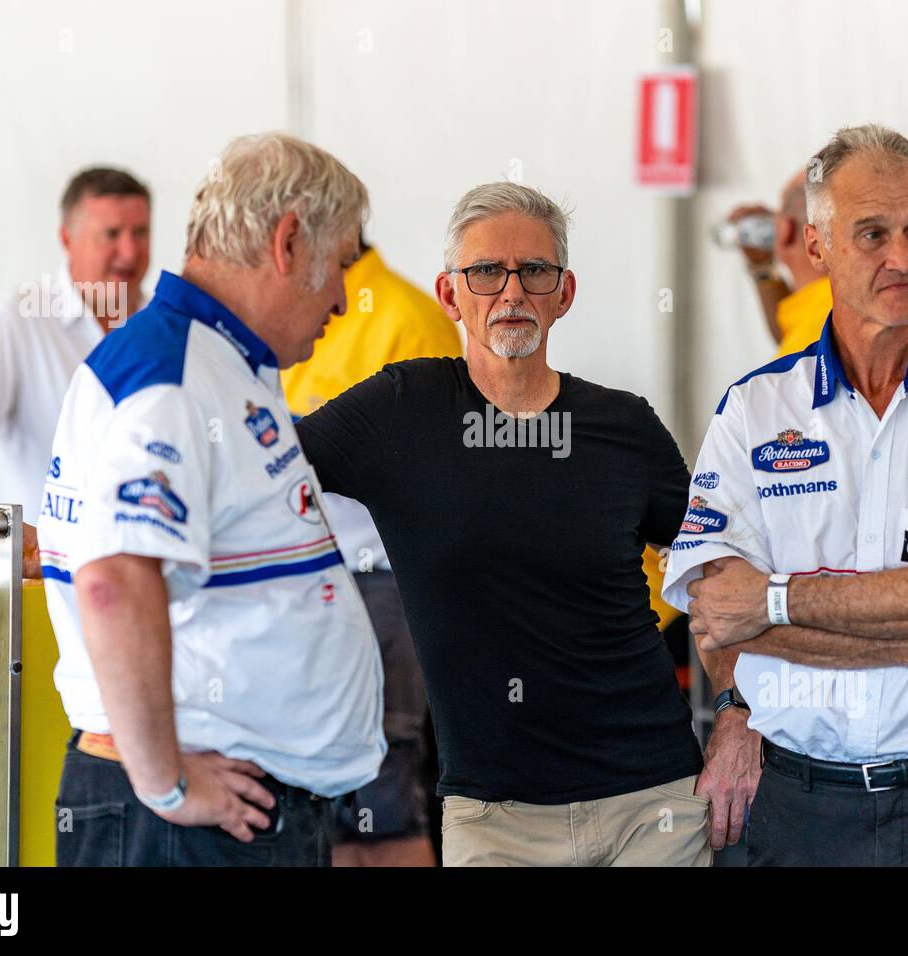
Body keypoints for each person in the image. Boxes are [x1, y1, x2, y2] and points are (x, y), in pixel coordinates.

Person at [296, 182, 728, 867]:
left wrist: (735, 714)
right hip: (493, 816)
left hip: (653, 799)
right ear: (450, 295)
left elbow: (716, 568)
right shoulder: (401, 411)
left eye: (534, 271)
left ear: (565, 292)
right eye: (486, 272)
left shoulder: (624, 426)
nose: (511, 292)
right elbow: (266, 460)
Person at [663, 124, 908, 866]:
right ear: (815, 248)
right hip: (794, 802)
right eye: (872, 233)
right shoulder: (753, 411)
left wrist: (771, 605)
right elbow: (717, 616)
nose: (903, 259)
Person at [37, 132, 384, 866]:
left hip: (218, 810)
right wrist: (166, 785)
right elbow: (112, 582)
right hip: (191, 821)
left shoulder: (212, 360)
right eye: (343, 265)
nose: (345, 299)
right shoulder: (179, 372)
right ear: (289, 242)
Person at [281, 237, 461, 867]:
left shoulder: (406, 318)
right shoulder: (299, 309)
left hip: (384, 579)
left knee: (383, 786)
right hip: (313, 581)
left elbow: (441, 475)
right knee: (330, 796)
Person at [0, 168, 151, 567]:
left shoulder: (162, 326)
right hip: (37, 584)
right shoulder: (16, 318)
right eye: (112, 234)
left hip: (145, 578)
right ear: (67, 239)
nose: (131, 252)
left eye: (140, 233)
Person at [727, 167, 832, 356]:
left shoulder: (804, 351)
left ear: (785, 230)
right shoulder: (865, 302)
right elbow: (789, 331)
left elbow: (800, 340)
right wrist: (762, 268)